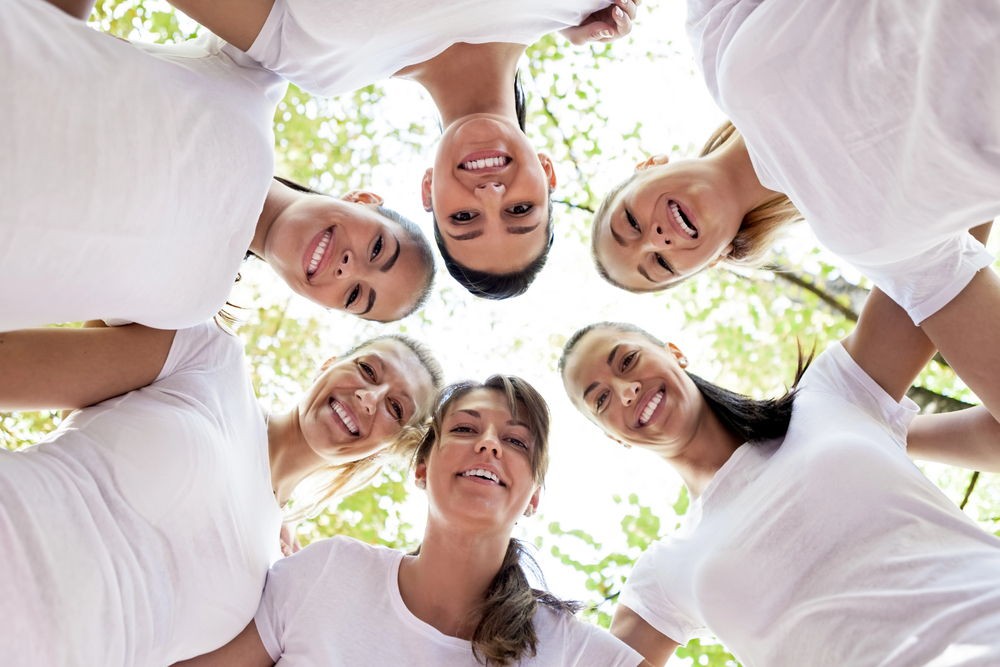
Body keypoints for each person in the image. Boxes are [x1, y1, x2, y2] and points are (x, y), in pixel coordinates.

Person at [591, 1, 1000, 421]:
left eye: (632, 222)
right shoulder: (869, 245)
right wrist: (891, 438)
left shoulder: (718, 40)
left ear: (648, 167)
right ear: (712, 261)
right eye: (660, 263)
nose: (655, 239)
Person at [559, 285, 1000, 665]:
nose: (625, 389)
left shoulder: (831, 395)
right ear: (612, 436)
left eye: (628, 361)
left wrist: (892, 431)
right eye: (600, 400)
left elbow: (930, 252)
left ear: (675, 353)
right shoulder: (664, 572)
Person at [0, 320, 442, 665]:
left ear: (390, 450)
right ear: (328, 364)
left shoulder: (278, 575)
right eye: (367, 369)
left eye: (395, 408)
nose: (370, 397)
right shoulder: (209, 359)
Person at [156, 0, 641, 298]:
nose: (490, 193)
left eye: (464, 219)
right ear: (548, 173)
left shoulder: (322, 64)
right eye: (520, 209)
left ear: (429, 189)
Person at [0, 0, 434, 331]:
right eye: (378, 249)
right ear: (364, 200)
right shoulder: (254, 81)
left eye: (356, 295)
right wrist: (40, 33)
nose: (347, 268)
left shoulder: (189, 309)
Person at [173, 375, 646, 666]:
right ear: (422, 469)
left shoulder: (568, 650)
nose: (489, 444)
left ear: (533, 499)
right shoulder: (330, 571)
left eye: (516, 441)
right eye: (464, 429)